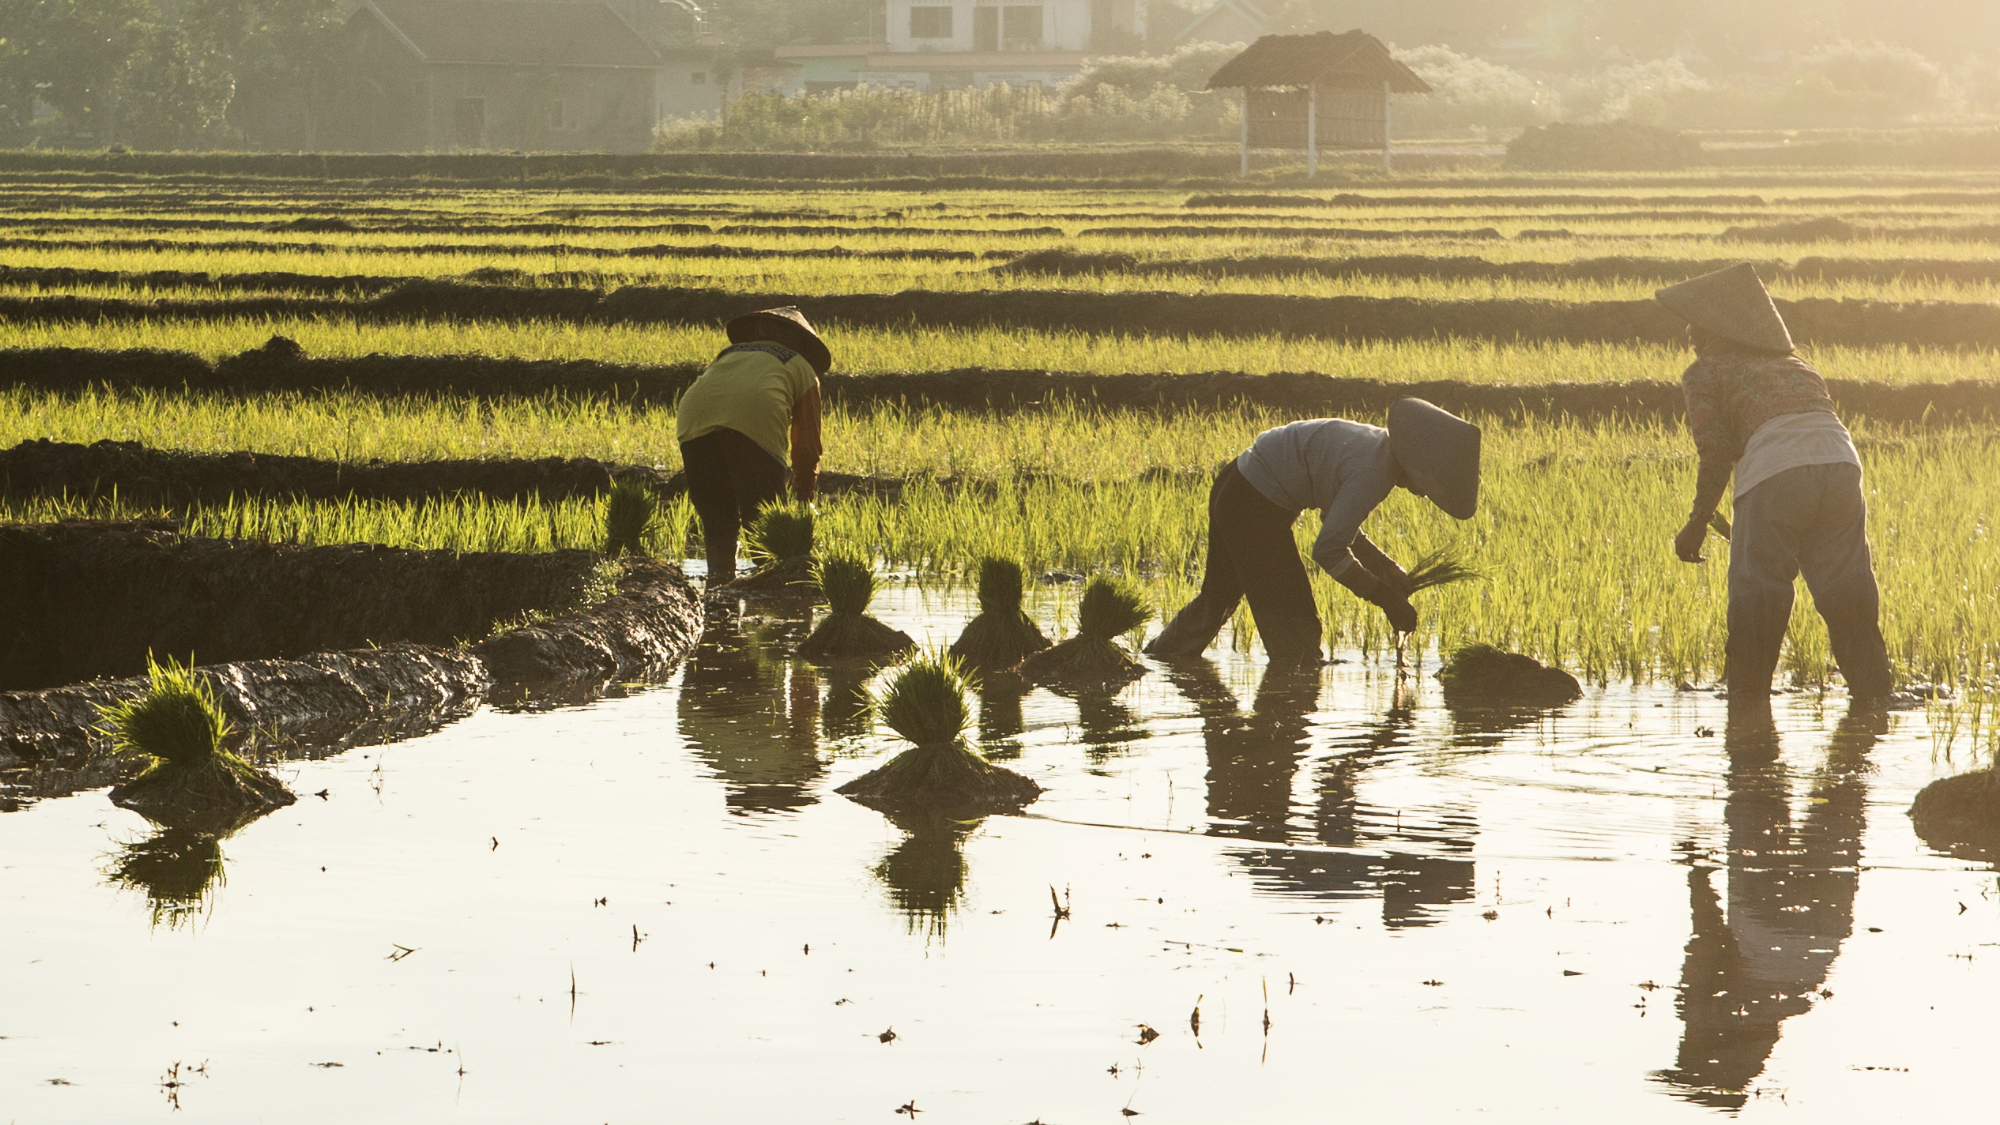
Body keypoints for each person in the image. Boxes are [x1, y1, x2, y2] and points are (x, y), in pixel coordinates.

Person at [1656, 263, 1894, 701]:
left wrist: (1697, 522)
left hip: (1774, 472)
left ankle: (1748, 713)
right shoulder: (1796, 364)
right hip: (1841, 464)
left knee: (1758, 594)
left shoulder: (1704, 370)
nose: (1689, 332)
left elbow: (1714, 453)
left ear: (1716, 327)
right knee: (1847, 592)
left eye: (1695, 323)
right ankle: (1875, 700)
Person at [1144, 398, 1482, 664]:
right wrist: (1384, 598)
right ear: (1418, 463)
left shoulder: (1375, 444)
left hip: (1236, 484)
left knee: (1217, 597)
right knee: (1297, 631)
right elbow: (1328, 550)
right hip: (1254, 507)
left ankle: (1159, 659)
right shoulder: (1374, 473)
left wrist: (1383, 566)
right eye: (1430, 483)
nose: (1425, 493)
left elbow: (1335, 521)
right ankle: (1287, 719)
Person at [675, 306, 829, 584]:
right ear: (801, 342)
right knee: (764, 523)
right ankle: (774, 595)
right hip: (752, 419)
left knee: (717, 522)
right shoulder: (802, 367)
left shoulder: (729, 354)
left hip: (692, 419)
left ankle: (719, 589)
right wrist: (805, 497)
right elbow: (806, 443)